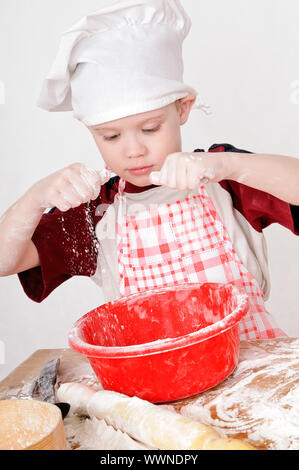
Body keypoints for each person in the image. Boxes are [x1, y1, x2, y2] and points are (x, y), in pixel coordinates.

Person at [0, 0, 298, 341]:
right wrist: (34, 199)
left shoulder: (223, 180)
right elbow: (5, 261)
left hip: (251, 373)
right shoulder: (97, 210)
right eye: (111, 136)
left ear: (183, 109)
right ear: (91, 132)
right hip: (157, 387)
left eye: (150, 128)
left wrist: (230, 165)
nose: (133, 150)